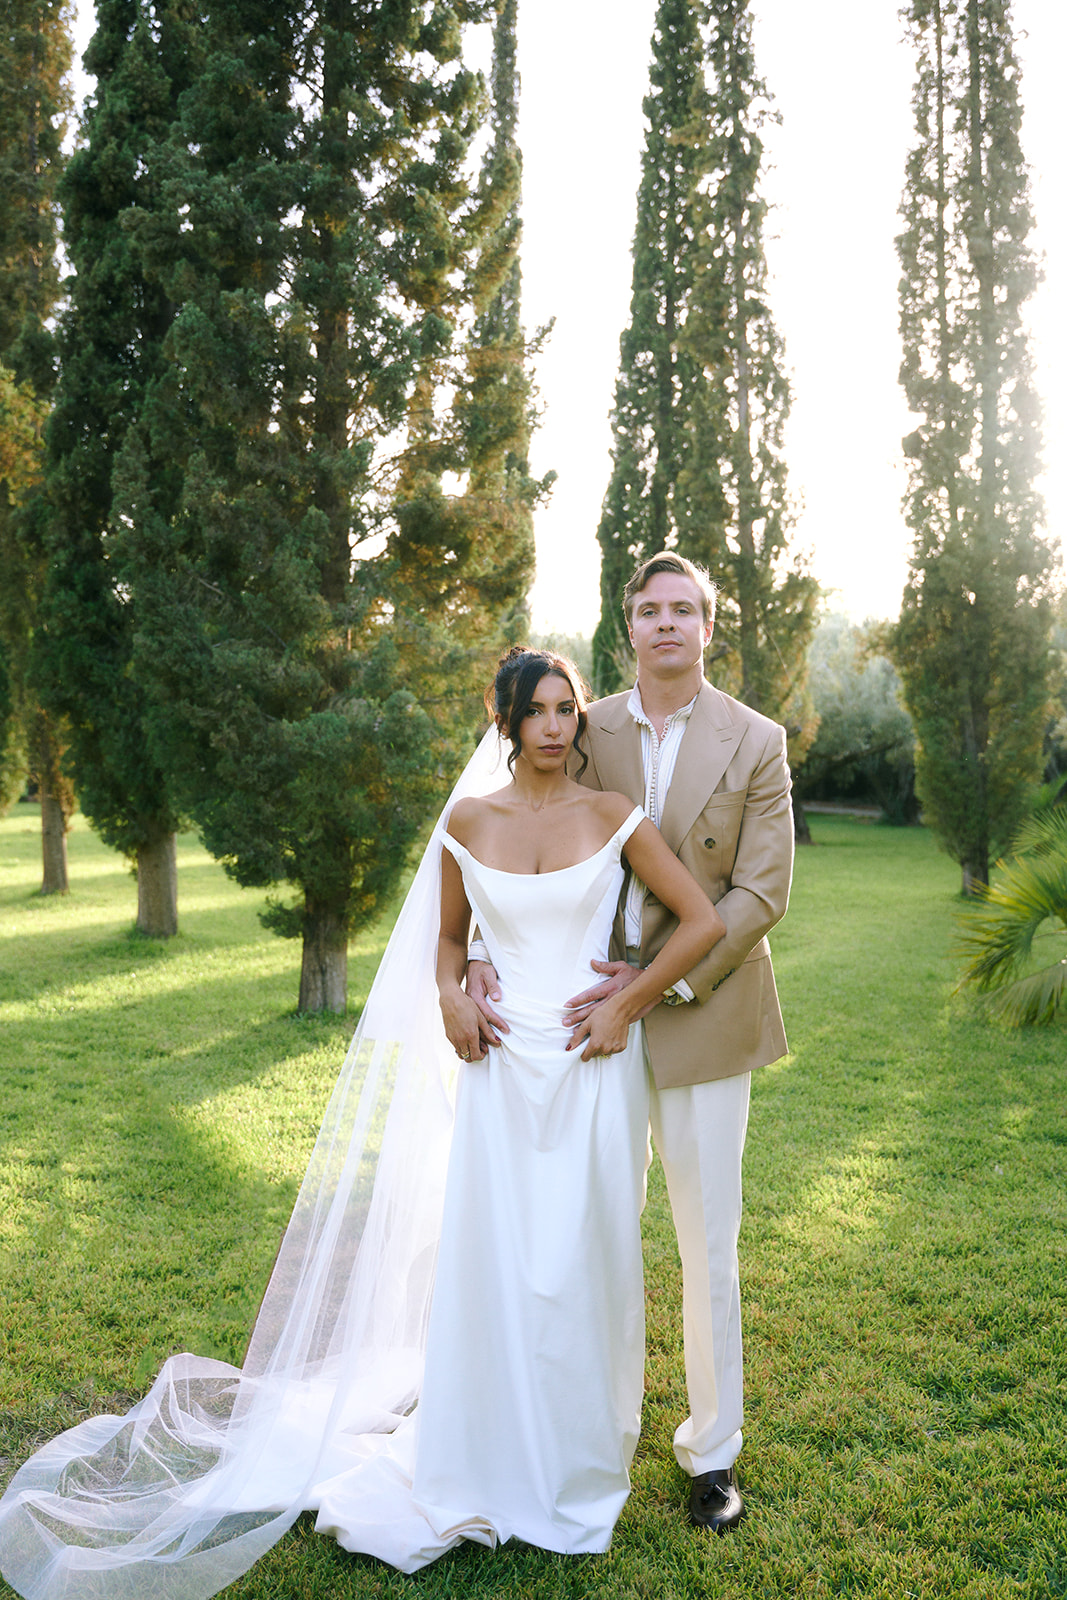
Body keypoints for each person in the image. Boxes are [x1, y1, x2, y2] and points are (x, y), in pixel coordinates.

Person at [0, 647, 723, 1598]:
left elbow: (702, 921)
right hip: (500, 1068)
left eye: (565, 710)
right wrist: (451, 994)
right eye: (535, 711)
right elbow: (450, 939)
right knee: (497, 1263)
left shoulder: (612, 815)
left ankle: (578, 1463)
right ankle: (485, 1451)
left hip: (593, 1066)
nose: (553, 727)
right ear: (504, 722)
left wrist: (627, 1002)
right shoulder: (467, 822)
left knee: (588, 1264)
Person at [469, 554, 794, 1534]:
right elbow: (517, 835)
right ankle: (577, 1432)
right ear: (629, 624)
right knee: (582, 1234)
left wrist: (651, 988)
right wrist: (477, 952)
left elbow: (759, 892)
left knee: (706, 1245)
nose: (666, 624)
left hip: (703, 1010)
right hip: (582, 1024)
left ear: (707, 626)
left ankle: (711, 1454)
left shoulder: (756, 739)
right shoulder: (579, 721)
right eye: (649, 609)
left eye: (682, 610)